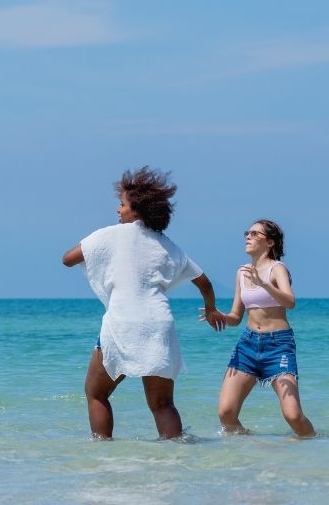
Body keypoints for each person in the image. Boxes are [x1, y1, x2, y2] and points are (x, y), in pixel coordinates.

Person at [62, 166, 222, 439]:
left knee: (96, 393)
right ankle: (175, 455)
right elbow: (204, 282)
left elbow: (68, 259)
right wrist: (210, 310)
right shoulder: (168, 245)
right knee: (162, 404)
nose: (118, 210)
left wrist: (97, 249)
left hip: (123, 324)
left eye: (122, 204)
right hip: (160, 325)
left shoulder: (109, 235)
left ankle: (104, 453)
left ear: (137, 210)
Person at [202, 219, 315, 437]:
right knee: (226, 413)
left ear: (270, 242)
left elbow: (290, 302)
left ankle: (314, 443)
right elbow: (236, 317)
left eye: (255, 234)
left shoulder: (277, 268)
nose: (248, 236)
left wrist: (263, 283)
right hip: (248, 344)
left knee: (293, 416)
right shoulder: (242, 272)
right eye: (248, 232)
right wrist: (220, 316)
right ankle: (252, 446)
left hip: (278, 345)